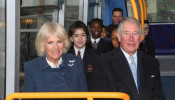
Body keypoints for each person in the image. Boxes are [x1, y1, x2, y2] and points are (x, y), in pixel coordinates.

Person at [89, 17, 165, 100]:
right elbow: (99, 97)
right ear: (119, 37)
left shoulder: (152, 63)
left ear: (141, 37)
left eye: (135, 33)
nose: (131, 39)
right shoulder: (103, 62)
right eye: (126, 33)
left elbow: (158, 95)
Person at [23, 22, 87, 92]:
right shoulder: (32, 67)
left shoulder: (76, 62)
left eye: (59, 42)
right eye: (50, 42)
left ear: (64, 43)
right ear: (42, 44)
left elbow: (84, 94)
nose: (56, 47)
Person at [67, 21, 99, 89]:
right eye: (76, 35)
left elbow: (97, 80)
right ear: (71, 38)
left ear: (87, 37)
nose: (80, 39)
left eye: (83, 35)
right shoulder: (65, 55)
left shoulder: (95, 55)